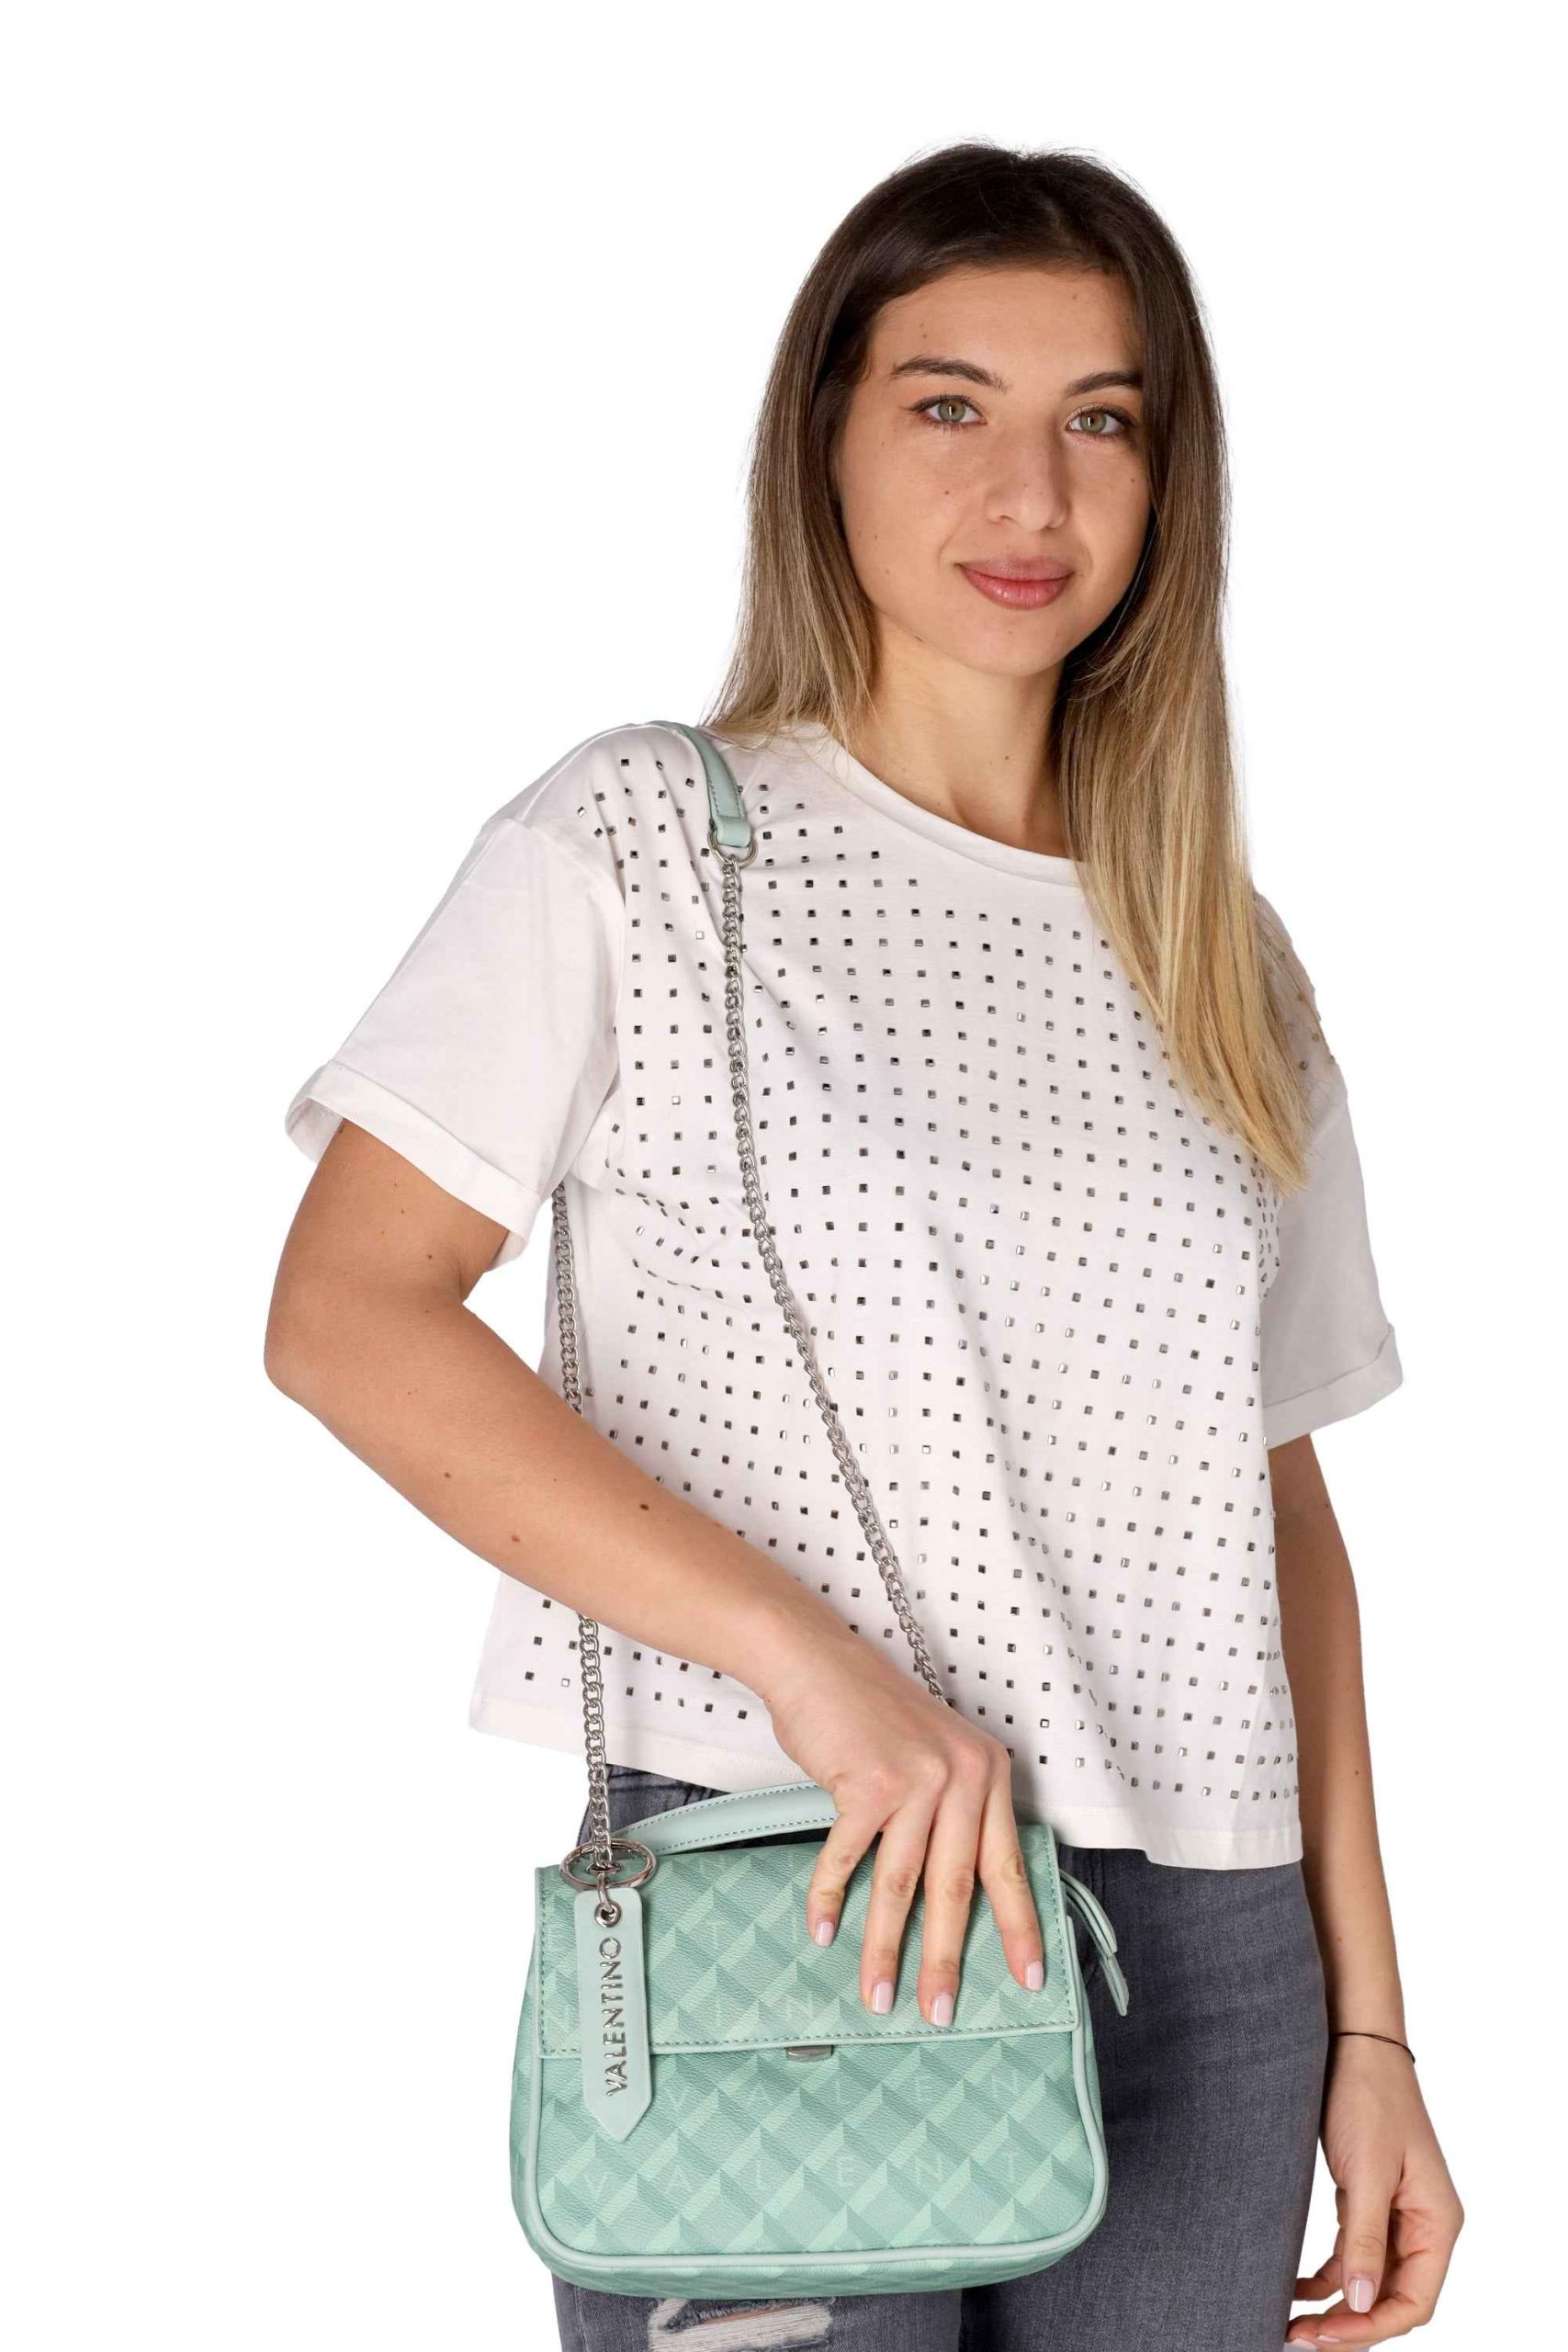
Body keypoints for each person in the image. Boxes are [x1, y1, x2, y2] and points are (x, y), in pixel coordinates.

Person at [265, 142, 1461, 2352]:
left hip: (1205, 1969)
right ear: (818, 440)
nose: (1029, 490)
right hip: (783, 1881)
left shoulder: (1221, 951)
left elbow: (1273, 1503)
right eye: (946, 404)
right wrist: (811, 1666)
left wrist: (1370, 2027)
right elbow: (346, 1313)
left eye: (1100, 418)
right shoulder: (647, 838)